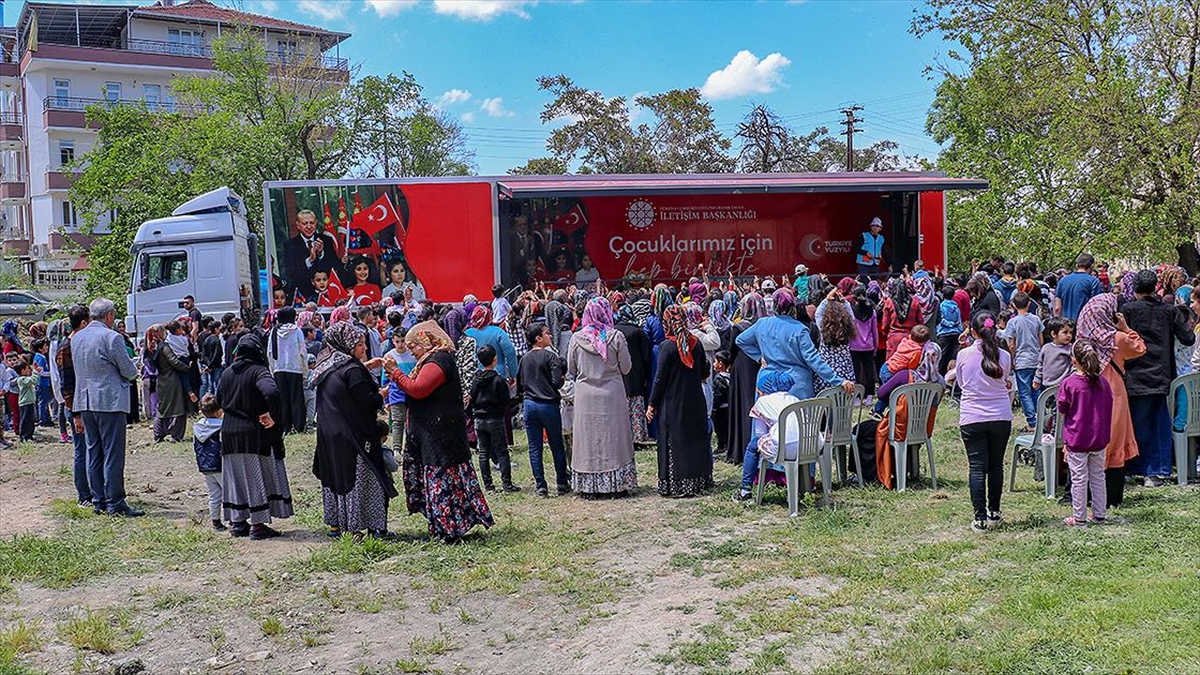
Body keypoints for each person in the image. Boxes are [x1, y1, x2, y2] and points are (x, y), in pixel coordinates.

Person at [386, 321, 494, 542]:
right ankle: (443, 526)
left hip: (442, 436)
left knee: (444, 480)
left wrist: (396, 373)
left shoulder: (439, 361)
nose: (411, 352)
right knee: (441, 479)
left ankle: (449, 528)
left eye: (414, 346)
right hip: (435, 434)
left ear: (427, 342)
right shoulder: (431, 360)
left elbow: (418, 389)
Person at [312, 322, 397, 539]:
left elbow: (343, 383)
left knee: (336, 479)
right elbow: (366, 403)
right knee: (362, 481)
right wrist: (384, 393)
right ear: (347, 345)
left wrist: (366, 366)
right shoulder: (353, 370)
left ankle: (337, 526)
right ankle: (364, 527)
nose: (364, 348)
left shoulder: (326, 366)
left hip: (329, 435)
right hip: (354, 438)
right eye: (360, 345)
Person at [1122, 269, 1195, 486]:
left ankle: (1133, 466)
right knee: (1160, 422)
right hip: (1162, 373)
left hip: (1134, 372)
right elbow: (1188, 339)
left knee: (1135, 422)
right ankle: (1156, 470)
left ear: (1135, 289)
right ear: (1155, 287)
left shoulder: (1128, 310)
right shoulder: (1168, 310)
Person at [217, 333, 292, 540]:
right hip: (253, 433)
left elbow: (219, 399)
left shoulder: (227, 373)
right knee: (253, 478)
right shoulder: (259, 372)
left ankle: (238, 523)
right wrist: (273, 416)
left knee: (235, 480)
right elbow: (273, 393)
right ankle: (257, 526)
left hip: (229, 433)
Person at [70, 299, 140, 516]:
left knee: (94, 451)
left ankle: (98, 499)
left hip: (85, 401)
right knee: (113, 453)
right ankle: (115, 501)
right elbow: (129, 371)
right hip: (109, 401)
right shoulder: (112, 337)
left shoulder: (77, 337)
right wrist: (135, 364)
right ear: (109, 316)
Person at [1076, 293, 1145, 506]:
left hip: (1086, 396)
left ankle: (1083, 494)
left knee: (1087, 440)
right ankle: (1111, 497)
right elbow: (1140, 348)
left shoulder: (1081, 341)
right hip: (1114, 394)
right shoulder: (1118, 340)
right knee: (1114, 442)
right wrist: (1125, 328)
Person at [567, 298, 637, 497]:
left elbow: (571, 369)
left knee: (588, 439)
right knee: (614, 439)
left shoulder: (576, 338)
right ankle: (616, 484)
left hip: (586, 395)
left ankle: (589, 486)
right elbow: (626, 367)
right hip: (612, 394)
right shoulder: (616, 337)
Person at [736, 290, 853, 400]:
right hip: (796, 385)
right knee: (799, 421)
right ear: (793, 307)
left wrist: (759, 357)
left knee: (765, 420)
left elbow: (741, 340)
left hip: (767, 382)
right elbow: (813, 359)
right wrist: (838, 380)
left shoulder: (762, 323)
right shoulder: (799, 329)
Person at [955, 311, 1013, 532]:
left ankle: (979, 518)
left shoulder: (964, 355)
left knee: (977, 468)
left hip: (972, 417)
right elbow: (1004, 380)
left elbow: (961, 383)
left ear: (973, 331)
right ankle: (995, 512)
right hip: (1000, 416)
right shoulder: (1005, 356)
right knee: (996, 465)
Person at [648, 305, 712, 497]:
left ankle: (676, 483)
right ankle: (698, 480)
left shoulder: (667, 347)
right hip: (694, 400)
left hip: (672, 402)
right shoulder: (696, 343)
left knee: (674, 442)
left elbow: (659, 379)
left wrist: (652, 404)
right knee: (694, 440)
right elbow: (703, 372)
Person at [1058, 340, 1113, 527]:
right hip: (1099, 439)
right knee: (1098, 476)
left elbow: (1062, 408)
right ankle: (1099, 514)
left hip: (1077, 438)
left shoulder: (1070, 384)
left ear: (1073, 361)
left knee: (1079, 479)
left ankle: (1079, 517)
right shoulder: (1104, 383)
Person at [520, 323, 571, 496]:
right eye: (547, 333)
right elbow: (557, 382)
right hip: (548, 405)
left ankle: (541, 485)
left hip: (529, 404)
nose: (550, 335)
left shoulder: (525, 359)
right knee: (557, 444)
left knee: (535, 447)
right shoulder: (551, 357)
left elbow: (521, 383)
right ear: (538, 338)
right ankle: (561, 482)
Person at [470, 344, 518, 493]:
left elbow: (471, 397)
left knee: (483, 452)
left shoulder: (476, 379)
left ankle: (488, 485)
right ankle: (507, 484)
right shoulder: (498, 380)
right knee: (502, 451)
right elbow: (506, 402)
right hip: (495, 419)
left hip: (479, 418)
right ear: (495, 359)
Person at [55, 308, 88, 502]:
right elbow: (67, 385)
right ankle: (84, 495)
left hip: (83, 405)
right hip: (76, 408)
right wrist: (75, 414)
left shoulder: (78, 343)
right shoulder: (66, 347)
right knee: (81, 451)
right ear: (83, 323)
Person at [1002, 292, 1044, 431]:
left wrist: (1012, 360)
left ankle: (1032, 422)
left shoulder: (1012, 322)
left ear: (1013, 305)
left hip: (1021, 361)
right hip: (1036, 359)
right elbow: (1041, 340)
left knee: (1024, 392)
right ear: (1029, 304)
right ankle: (1040, 418)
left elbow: (1011, 345)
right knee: (1036, 391)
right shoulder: (1037, 319)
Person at [283, 209, 344, 298]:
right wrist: (310, 260)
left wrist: (321, 254)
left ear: (316, 223)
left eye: (311, 223)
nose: (309, 227)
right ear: (298, 225)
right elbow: (291, 273)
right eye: (305, 223)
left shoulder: (326, 240)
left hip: (327, 295)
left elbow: (335, 267)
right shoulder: (290, 245)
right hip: (303, 295)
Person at [149, 324, 193, 443]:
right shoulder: (164, 347)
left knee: (162, 408)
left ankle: (159, 433)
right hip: (172, 380)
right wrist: (187, 368)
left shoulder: (151, 348)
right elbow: (174, 362)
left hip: (161, 380)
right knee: (177, 407)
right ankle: (176, 434)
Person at [268, 307, 308, 434]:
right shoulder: (297, 331)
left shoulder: (274, 331)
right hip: (295, 368)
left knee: (283, 398)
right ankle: (299, 425)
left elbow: (270, 352)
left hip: (279, 368)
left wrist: (273, 369)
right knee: (296, 397)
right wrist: (305, 371)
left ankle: (285, 425)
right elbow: (303, 351)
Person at [193, 395, 226, 531]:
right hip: (220, 464)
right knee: (228, 493)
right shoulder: (221, 427)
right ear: (219, 412)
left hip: (205, 465)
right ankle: (234, 519)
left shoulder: (197, 427)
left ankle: (215, 521)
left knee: (214, 495)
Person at [465, 306, 518, 380]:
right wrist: (513, 374)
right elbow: (510, 352)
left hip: (475, 377)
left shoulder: (467, 333)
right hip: (498, 375)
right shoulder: (498, 332)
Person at [849, 286, 879, 405]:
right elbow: (874, 330)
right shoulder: (872, 311)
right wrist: (875, 346)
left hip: (854, 345)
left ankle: (856, 397)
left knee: (855, 372)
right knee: (869, 371)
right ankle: (870, 396)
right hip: (868, 345)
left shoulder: (851, 311)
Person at [880, 278, 922, 359]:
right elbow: (920, 322)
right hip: (910, 339)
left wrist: (886, 334)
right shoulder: (914, 302)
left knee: (892, 366)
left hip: (894, 339)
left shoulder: (889, 302)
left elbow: (884, 325)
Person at [1054, 254, 1103, 321]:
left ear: (1077, 265)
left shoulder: (1062, 281)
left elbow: (1057, 308)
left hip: (1065, 326)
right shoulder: (1094, 282)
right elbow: (1095, 307)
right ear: (1092, 266)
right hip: (1083, 324)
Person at [1033, 318, 1074, 391]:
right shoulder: (1046, 348)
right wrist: (1037, 379)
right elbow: (1041, 365)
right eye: (1065, 332)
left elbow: (1074, 365)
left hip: (1064, 386)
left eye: (1070, 332)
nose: (1069, 335)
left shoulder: (1070, 348)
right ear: (1054, 334)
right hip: (1048, 386)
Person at [936, 285, 963, 375]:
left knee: (941, 357)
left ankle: (939, 376)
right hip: (955, 334)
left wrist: (949, 324)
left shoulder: (941, 306)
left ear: (943, 295)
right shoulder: (956, 308)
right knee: (951, 357)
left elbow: (941, 319)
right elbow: (959, 321)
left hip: (944, 334)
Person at [712, 351, 732, 459]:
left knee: (720, 429)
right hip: (729, 407)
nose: (713, 364)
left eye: (715, 361)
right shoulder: (731, 377)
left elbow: (718, 395)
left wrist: (714, 407)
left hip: (721, 408)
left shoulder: (719, 379)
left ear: (720, 364)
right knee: (727, 428)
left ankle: (721, 446)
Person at [15, 359, 36, 441]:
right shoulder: (21, 379)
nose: (29, 370)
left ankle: (29, 435)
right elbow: (33, 380)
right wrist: (35, 372)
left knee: (30, 420)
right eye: (27, 368)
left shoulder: (25, 378)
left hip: (30, 402)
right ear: (22, 370)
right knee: (25, 421)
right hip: (25, 403)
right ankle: (24, 436)